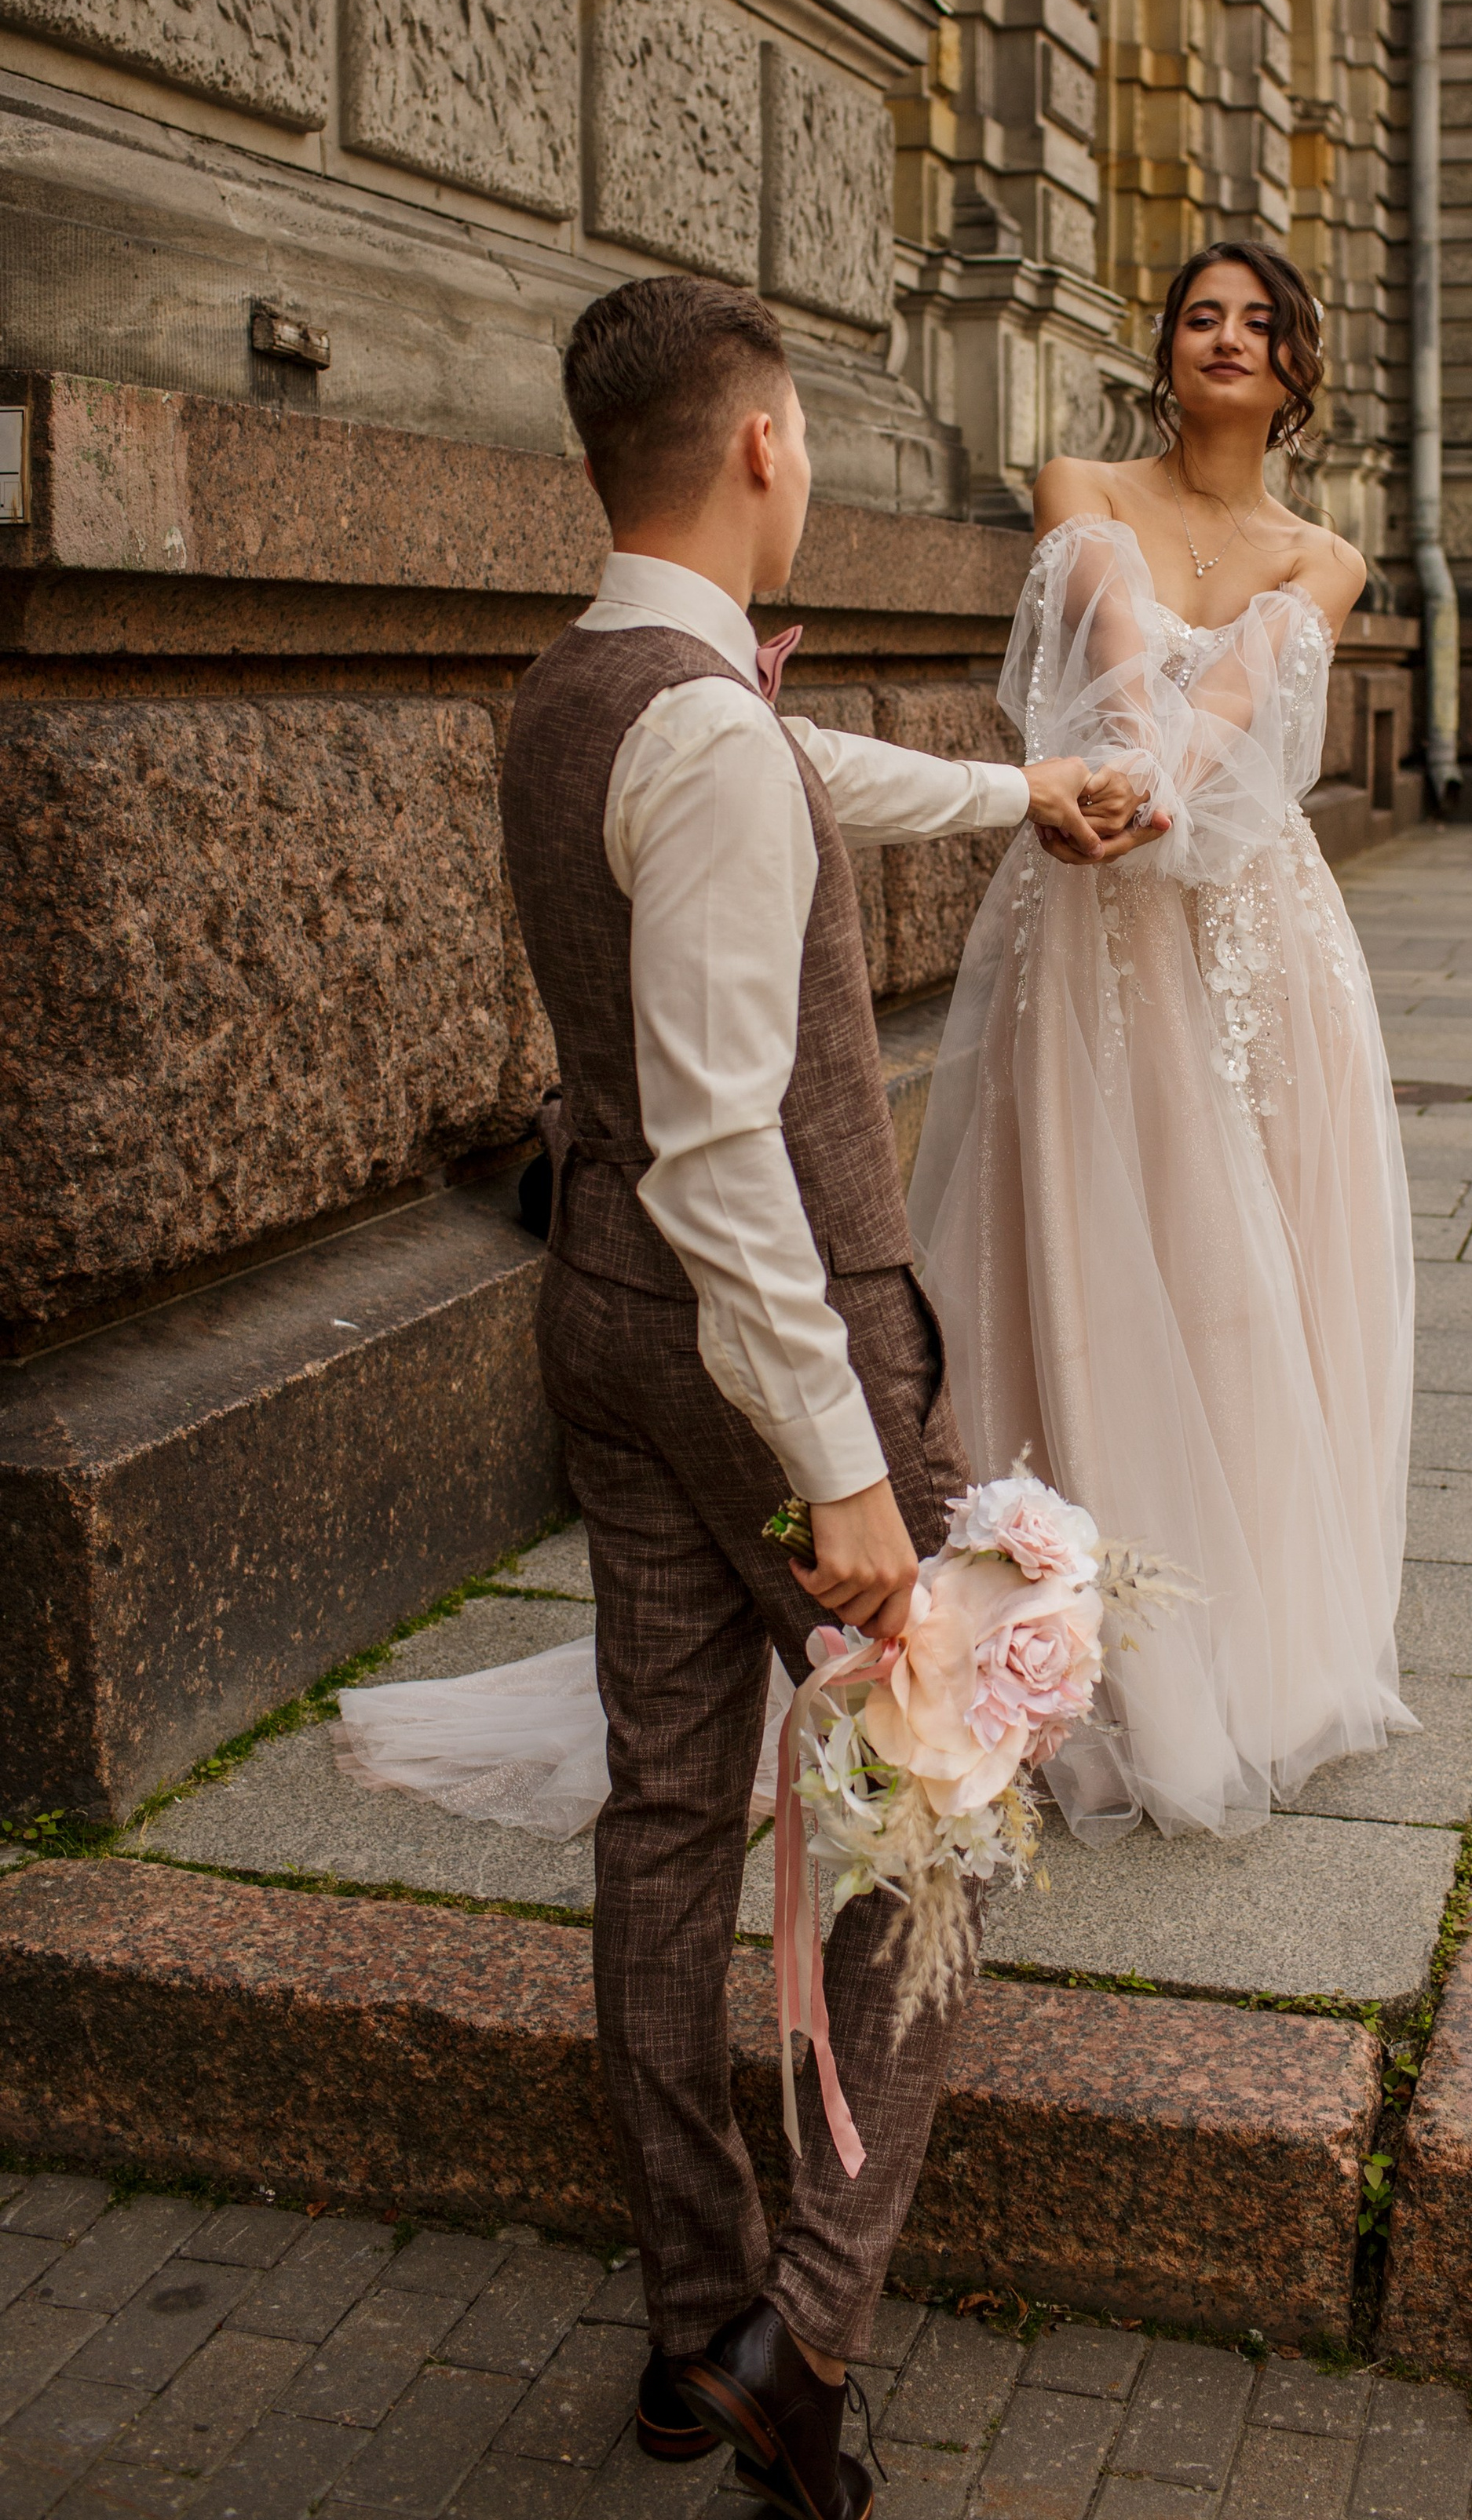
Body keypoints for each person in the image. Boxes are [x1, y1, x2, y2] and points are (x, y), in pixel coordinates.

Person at [470, 273, 1113, 2520]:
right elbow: (732, 1134)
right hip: (763, 1354)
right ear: (758, 448)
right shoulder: (708, 729)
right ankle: (803, 2326)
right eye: (810, 433)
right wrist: (843, 1464)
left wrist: (1016, 787)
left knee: (665, 1829)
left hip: (602, 1325)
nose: (816, 461)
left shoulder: (583, 693)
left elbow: (789, 778)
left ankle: (682, 2333)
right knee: (944, 1801)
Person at [907, 240, 1416, 1841]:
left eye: (1257, 323)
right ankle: (1052, 1632)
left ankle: (1242, 1650)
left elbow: (1253, 679)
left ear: (1292, 370)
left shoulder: (1319, 554)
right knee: (1073, 1229)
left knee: (1241, 1255)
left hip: (1254, 929)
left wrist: (1172, 787)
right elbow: (1110, 631)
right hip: (1092, 912)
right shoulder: (1079, 478)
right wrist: (1123, 770)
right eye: (1199, 314)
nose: (1224, 338)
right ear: (1166, 347)